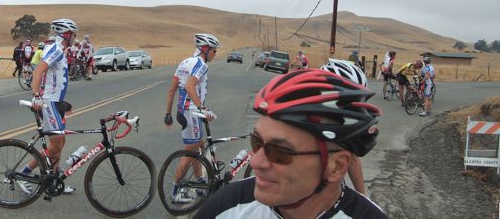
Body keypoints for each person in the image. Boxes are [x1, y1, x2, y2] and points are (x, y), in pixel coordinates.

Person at [191, 69, 388, 218]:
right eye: (257, 142)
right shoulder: (227, 206)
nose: (255, 162)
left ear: (336, 166)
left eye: (279, 152)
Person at [20, 18, 80, 194]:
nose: (74, 37)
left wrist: (63, 103)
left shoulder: (59, 49)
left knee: (59, 144)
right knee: (54, 146)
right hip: (49, 102)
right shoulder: (56, 50)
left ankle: (54, 180)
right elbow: (39, 70)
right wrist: (36, 94)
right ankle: (24, 174)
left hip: (56, 102)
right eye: (73, 34)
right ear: (67, 34)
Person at [162, 33, 220, 205]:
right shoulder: (201, 64)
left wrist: (168, 114)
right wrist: (202, 109)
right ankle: (175, 191)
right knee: (189, 153)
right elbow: (189, 86)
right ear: (206, 49)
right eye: (214, 51)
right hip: (192, 112)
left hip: (182, 112)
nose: (214, 55)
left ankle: (200, 182)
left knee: (199, 146)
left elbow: (172, 90)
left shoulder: (184, 62)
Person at [320, 59, 374, 194]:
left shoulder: (342, 121)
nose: (350, 109)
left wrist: (364, 198)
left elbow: (353, 158)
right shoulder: (298, 119)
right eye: (348, 102)